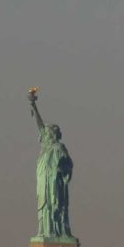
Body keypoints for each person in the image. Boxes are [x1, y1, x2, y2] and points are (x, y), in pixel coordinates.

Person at [28, 90, 74, 239]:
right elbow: (40, 126)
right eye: (45, 133)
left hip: (54, 184)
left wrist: (61, 168)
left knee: (54, 206)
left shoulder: (58, 148)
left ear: (53, 135)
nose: (45, 134)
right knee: (43, 207)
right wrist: (33, 106)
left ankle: (56, 231)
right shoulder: (45, 148)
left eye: (48, 133)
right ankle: (45, 231)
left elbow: (68, 165)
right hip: (43, 183)